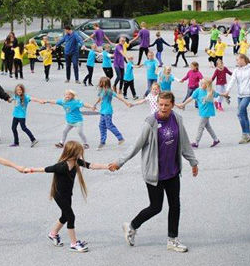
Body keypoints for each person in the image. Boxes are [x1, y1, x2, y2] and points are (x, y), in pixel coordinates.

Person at [110, 92, 198, 253]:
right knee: (156, 207)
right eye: (161, 104)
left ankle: (172, 240)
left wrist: (193, 162)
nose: (163, 108)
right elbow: (136, 145)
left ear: (172, 104)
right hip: (154, 173)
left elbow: (184, 142)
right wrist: (119, 162)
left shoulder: (177, 119)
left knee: (175, 205)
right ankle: (131, 226)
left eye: (166, 105)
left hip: (172, 172)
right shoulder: (150, 122)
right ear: (157, 103)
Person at [25, 141, 110, 253]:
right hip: (59, 195)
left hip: (67, 194)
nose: (80, 154)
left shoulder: (76, 161)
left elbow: (91, 165)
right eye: (79, 152)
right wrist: (29, 170)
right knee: (71, 216)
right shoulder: (61, 166)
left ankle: (53, 234)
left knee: (65, 216)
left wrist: (107, 166)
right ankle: (74, 243)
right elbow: (45, 169)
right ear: (72, 152)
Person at [220, 54, 250, 144]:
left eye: (237, 60)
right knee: (243, 114)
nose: (236, 62)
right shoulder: (237, 70)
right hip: (240, 95)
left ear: (243, 59)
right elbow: (232, 81)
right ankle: (248, 135)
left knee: (240, 113)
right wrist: (227, 91)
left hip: (248, 94)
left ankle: (245, 134)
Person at [178, 78, 221, 148]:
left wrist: (224, 94)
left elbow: (217, 94)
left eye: (203, 83)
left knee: (200, 127)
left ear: (207, 85)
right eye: (201, 82)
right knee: (208, 126)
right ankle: (216, 139)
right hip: (202, 111)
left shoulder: (210, 91)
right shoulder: (198, 90)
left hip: (206, 112)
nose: (201, 84)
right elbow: (191, 97)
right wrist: (183, 104)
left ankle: (196, 142)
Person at [94, 77, 130, 149]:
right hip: (103, 111)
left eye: (102, 83)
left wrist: (126, 102)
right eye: (101, 82)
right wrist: (95, 104)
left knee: (109, 125)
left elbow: (118, 97)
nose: (101, 84)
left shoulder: (109, 91)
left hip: (108, 111)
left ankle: (120, 138)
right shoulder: (101, 90)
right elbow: (100, 98)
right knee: (101, 126)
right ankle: (102, 142)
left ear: (106, 84)